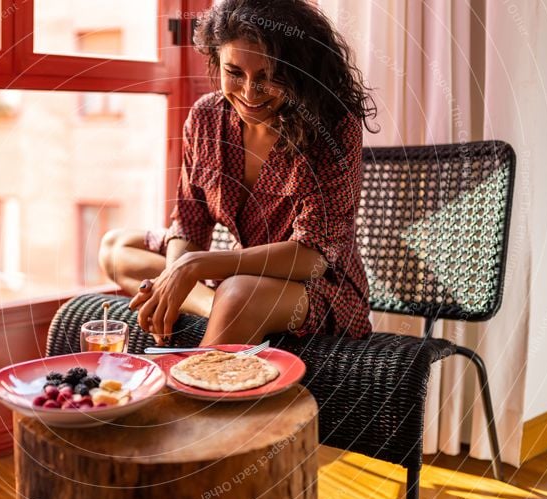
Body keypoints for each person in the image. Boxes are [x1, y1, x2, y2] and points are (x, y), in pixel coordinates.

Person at [99, 0, 377, 347]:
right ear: (217, 62)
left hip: (317, 289)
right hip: (239, 278)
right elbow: (189, 222)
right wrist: (174, 277)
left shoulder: (334, 129)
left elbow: (312, 258)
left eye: (268, 77)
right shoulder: (206, 117)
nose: (249, 93)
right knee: (116, 248)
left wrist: (196, 267)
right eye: (235, 73)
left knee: (239, 291)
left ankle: (193, 382)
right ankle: (217, 306)